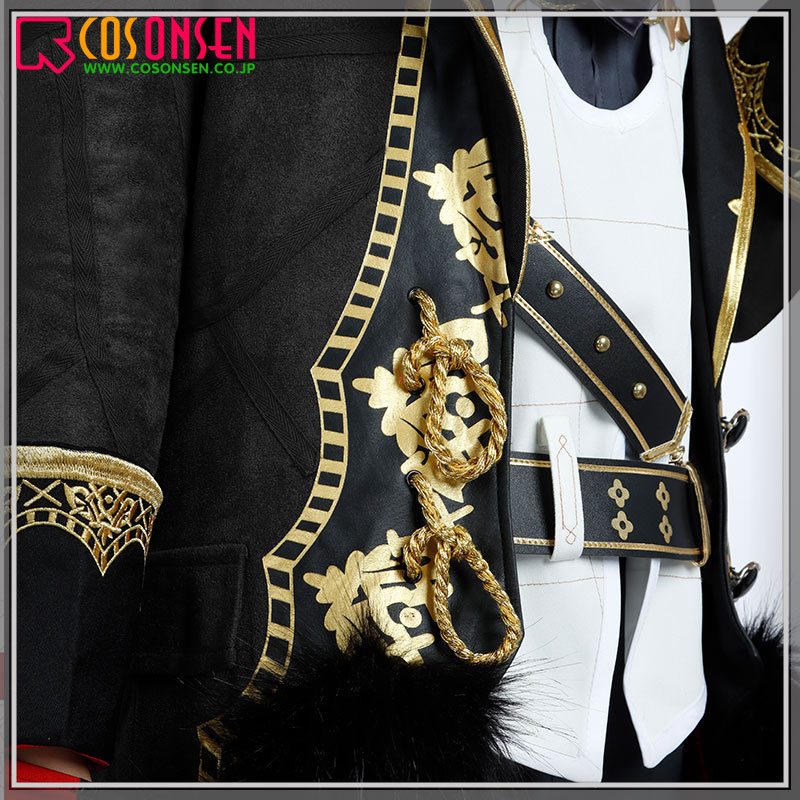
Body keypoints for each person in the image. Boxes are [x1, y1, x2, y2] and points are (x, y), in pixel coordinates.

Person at [13, 4, 784, 783]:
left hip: (664, 703)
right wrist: (44, 727)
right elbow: (87, 285)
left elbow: (728, 283)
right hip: (326, 688)